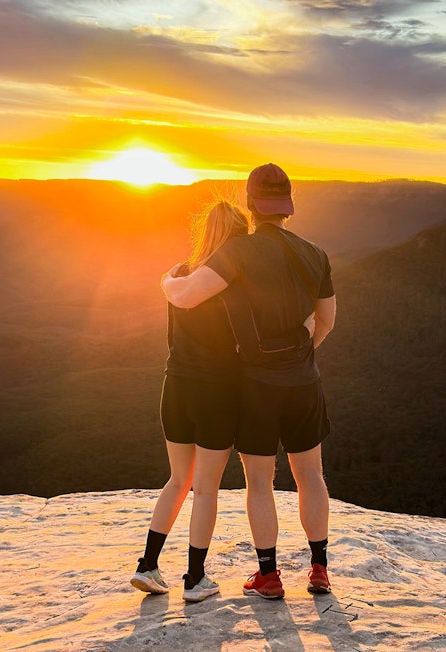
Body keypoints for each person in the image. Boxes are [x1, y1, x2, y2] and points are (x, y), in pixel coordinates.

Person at [161, 163, 337, 599]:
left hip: (256, 387)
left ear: (250, 203)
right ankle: (319, 569)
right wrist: (298, 354)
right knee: (310, 474)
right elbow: (327, 322)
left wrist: (167, 280)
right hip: (304, 381)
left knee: (260, 480)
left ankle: (269, 575)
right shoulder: (315, 253)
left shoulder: (237, 251)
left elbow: (185, 297)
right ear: (288, 204)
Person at [131, 200, 250, 603]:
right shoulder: (234, 279)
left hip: (175, 386)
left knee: (178, 480)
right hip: (216, 392)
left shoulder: (181, 273)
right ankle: (195, 579)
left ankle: (147, 566)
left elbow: (171, 320)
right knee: (207, 488)